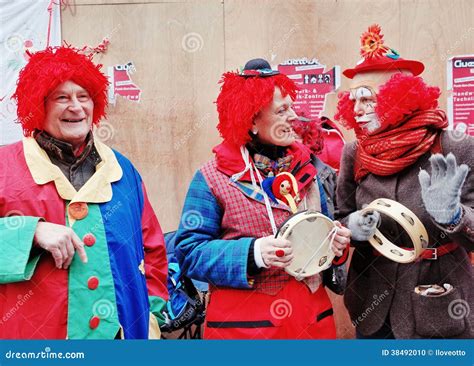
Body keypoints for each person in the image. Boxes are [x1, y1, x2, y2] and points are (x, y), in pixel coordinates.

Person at [175, 59, 351, 339]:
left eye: (292, 107)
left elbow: (324, 236)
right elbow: (188, 253)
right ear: (252, 120)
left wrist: (336, 246)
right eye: (283, 110)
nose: (294, 116)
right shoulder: (211, 177)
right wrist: (253, 253)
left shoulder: (310, 168)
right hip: (246, 333)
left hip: (312, 325)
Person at [0, 46, 168, 339]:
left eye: (83, 97)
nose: (76, 107)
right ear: (39, 105)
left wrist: (151, 316)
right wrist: (29, 234)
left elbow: (152, 250)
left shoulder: (123, 170)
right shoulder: (4, 167)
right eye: (62, 98)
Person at [334, 24, 473, 339]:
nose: (357, 111)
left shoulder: (456, 146)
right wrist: (350, 228)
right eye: (353, 101)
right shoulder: (354, 152)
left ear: (397, 98)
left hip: (439, 305)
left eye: (367, 100)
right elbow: (340, 218)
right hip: (373, 309)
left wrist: (454, 215)